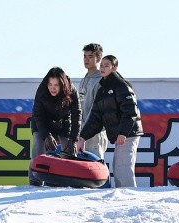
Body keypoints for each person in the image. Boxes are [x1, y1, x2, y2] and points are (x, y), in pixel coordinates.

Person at [80, 56, 143, 188]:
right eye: (101, 65)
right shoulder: (102, 89)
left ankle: (130, 200)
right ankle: (122, 202)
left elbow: (130, 112)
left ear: (114, 68)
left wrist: (123, 133)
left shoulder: (121, 85)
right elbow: (95, 119)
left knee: (123, 168)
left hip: (129, 133)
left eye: (106, 65)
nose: (102, 68)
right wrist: (82, 137)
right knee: (118, 166)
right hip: (121, 134)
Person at [29, 67, 81, 184]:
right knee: (38, 144)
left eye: (56, 85)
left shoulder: (72, 91)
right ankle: (35, 181)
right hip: (42, 123)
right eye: (50, 84)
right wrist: (46, 135)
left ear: (62, 84)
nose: (52, 88)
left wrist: (73, 139)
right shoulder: (42, 90)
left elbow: (77, 115)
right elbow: (38, 115)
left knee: (68, 148)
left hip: (63, 122)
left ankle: (69, 180)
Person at [76, 43, 108, 159]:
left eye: (90, 56)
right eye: (84, 56)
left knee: (95, 166)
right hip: (82, 133)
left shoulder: (102, 79)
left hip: (95, 132)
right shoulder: (83, 80)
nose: (86, 59)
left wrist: (91, 128)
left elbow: (102, 109)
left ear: (98, 58)